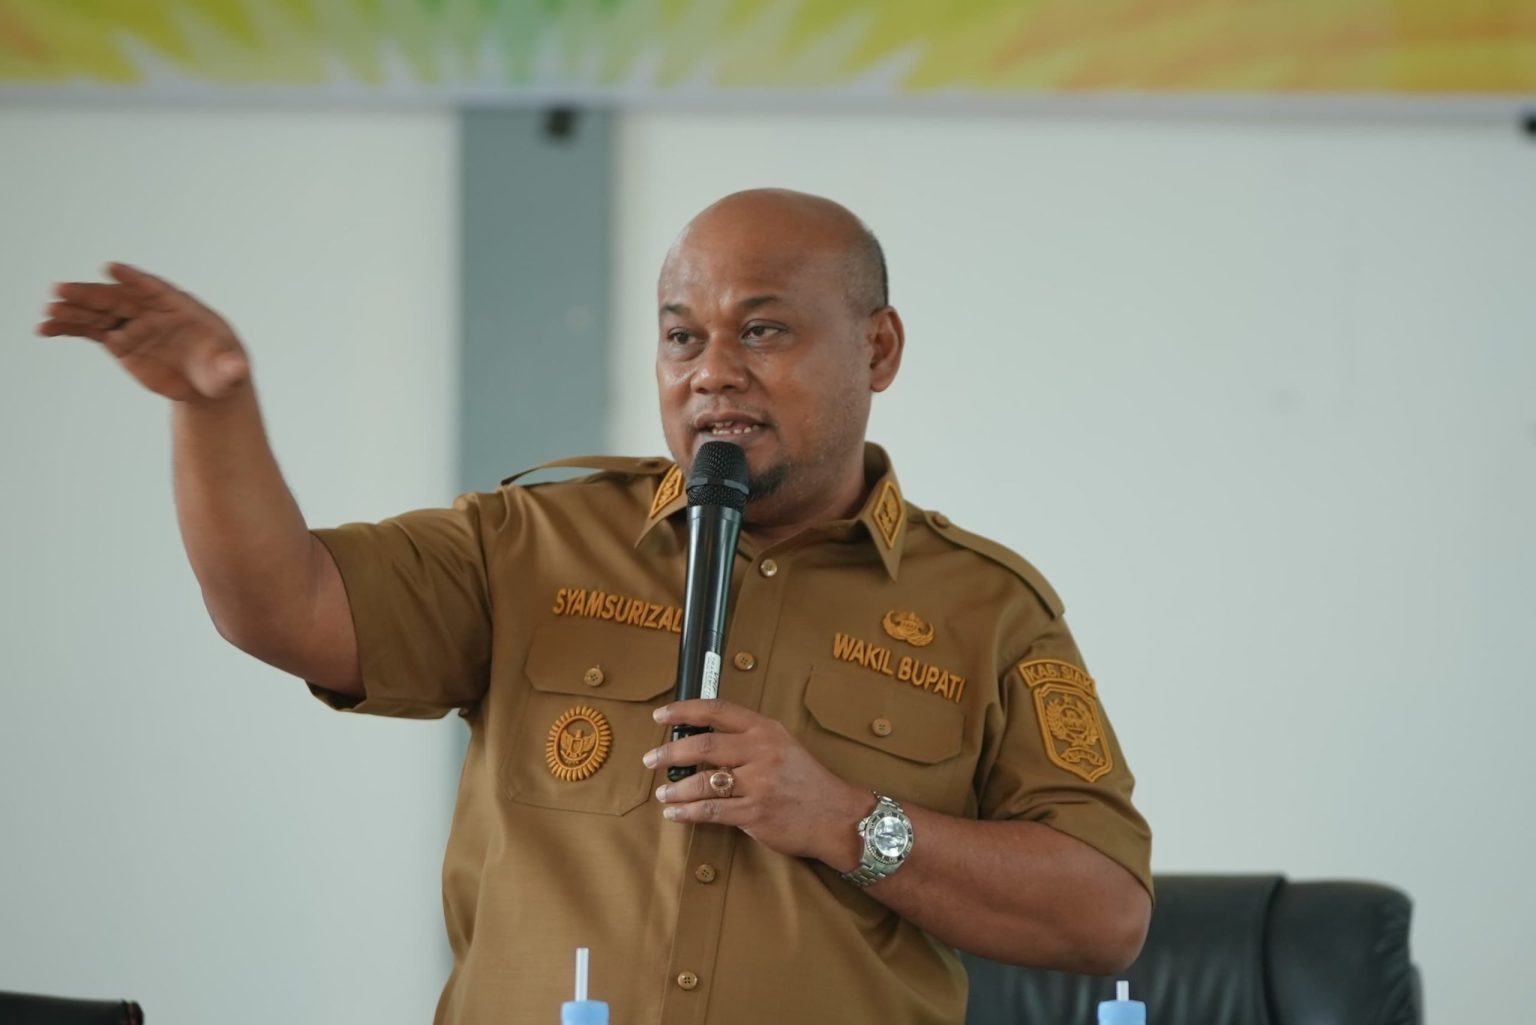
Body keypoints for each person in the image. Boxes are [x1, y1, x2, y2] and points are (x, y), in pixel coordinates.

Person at [38, 189, 1152, 1024]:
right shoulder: (533, 541)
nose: (712, 371)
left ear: (879, 347)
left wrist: (846, 820)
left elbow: (1104, 913)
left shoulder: (986, 608)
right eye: (682, 335)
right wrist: (214, 412)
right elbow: (281, 607)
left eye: (763, 330)